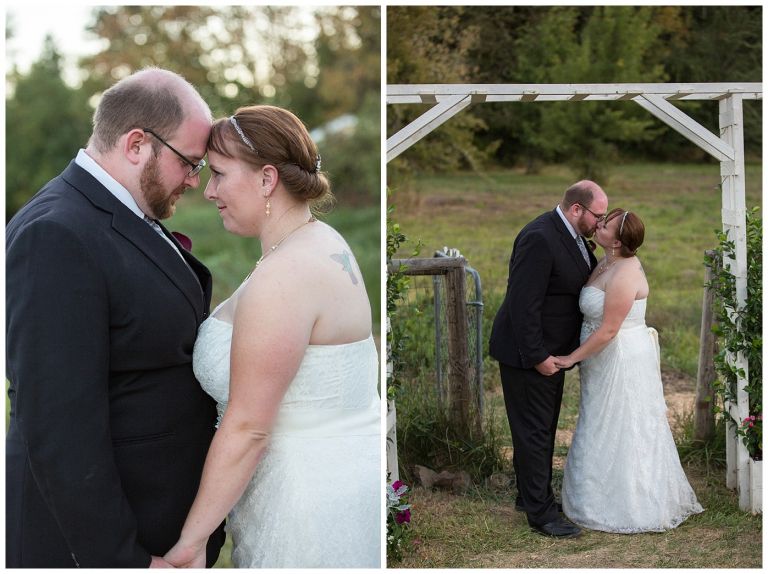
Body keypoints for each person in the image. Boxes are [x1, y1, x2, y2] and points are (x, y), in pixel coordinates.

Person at [5, 68, 226, 567]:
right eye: (190, 163)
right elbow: (59, 427)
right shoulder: (57, 233)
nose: (195, 181)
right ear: (136, 145)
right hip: (86, 547)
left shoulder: (121, 212)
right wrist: (124, 560)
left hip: (154, 524)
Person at [163, 105, 381, 568]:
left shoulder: (284, 276)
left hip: (300, 511)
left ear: (266, 179)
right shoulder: (323, 242)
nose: (210, 190)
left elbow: (248, 428)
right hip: (333, 487)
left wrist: (190, 542)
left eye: (219, 174)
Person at [554, 209, 704, 532]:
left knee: (623, 424)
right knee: (599, 419)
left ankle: (631, 504)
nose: (599, 224)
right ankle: (590, 494)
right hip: (602, 360)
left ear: (618, 241)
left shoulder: (624, 273)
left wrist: (570, 358)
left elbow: (608, 331)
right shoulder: (607, 260)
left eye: (605, 224)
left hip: (618, 356)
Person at [489, 180, 608, 538]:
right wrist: (538, 355)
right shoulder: (540, 237)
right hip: (529, 354)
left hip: (553, 355)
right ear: (576, 209)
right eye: (597, 216)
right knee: (534, 433)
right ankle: (541, 515)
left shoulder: (570, 235)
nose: (600, 223)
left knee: (542, 429)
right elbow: (524, 303)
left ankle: (531, 496)